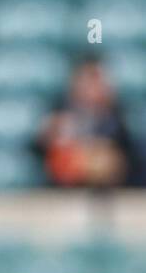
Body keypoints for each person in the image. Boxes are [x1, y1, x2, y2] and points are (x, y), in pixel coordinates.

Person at [34, 59, 142, 189]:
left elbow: (131, 157)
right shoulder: (59, 113)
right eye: (87, 81)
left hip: (111, 191)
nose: (92, 89)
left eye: (96, 81)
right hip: (62, 192)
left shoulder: (119, 116)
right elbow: (37, 152)